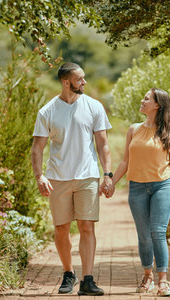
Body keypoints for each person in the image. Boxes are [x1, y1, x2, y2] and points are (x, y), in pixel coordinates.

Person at [31, 62, 114, 296]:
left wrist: (107, 175)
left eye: (84, 78)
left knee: (87, 226)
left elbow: (103, 144)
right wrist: (40, 177)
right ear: (66, 82)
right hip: (58, 178)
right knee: (61, 229)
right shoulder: (47, 111)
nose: (84, 82)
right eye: (80, 79)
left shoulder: (94, 106)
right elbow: (37, 148)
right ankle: (69, 273)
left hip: (87, 176)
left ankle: (88, 280)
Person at [101, 88, 170, 296]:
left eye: (147, 99)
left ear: (157, 105)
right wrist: (111, 181)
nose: (142, 100)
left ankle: (163, 281)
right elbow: (125, 161)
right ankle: (147, 275)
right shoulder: (133, 129)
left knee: (157, 232)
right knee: (144, 236)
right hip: (137, 187)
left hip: (162, 186)